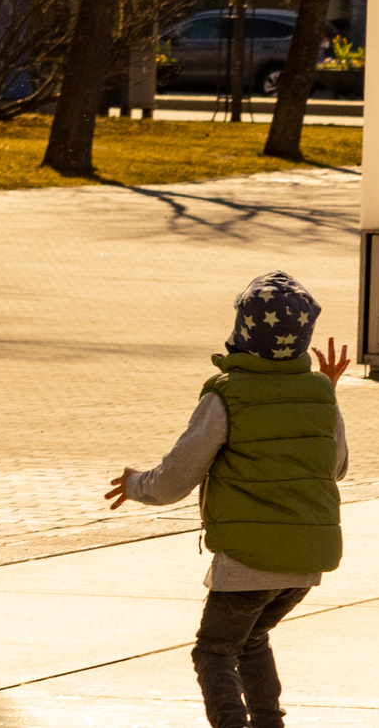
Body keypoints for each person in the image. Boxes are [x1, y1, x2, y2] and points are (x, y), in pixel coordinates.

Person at [104, 272, 349, 728]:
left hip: (248, 559)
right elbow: (334, 467)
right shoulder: (320, 392)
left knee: (214, 650)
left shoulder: (227, 393)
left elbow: (175, 479)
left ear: (242, 331)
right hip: (306, 563)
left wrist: (137, 483)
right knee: (252, 639)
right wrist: (326, 392)